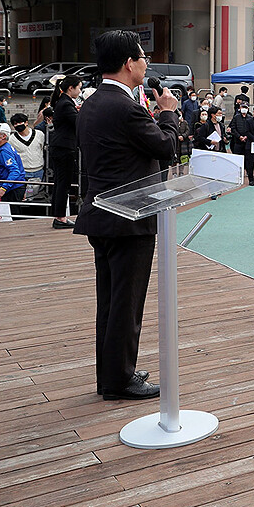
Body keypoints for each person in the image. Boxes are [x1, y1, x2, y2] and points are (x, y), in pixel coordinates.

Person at [74, 30, 179, 401]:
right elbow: (165, 146)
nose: (146, 63)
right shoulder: (124, 106)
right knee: (126, 302)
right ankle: (119, 380)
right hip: (128, 218)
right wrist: (167, 114)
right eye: (142, 57)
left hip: (101, 214)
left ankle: (114, 372)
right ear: (128, 64)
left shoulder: (91, 103)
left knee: (112, 300)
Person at [49, 76, 82, 227]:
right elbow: (78, 122)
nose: (80, 91)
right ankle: (60, 217)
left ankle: (58, 215)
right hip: (64, 147)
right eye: (79, 87)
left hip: (59, 146)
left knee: (59, 181)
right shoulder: (66, 104)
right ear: (71, 88)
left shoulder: (63, 102)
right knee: (64, 183)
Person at [0, 122, 26, 215]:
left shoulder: (4, 151)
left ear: (3, 136)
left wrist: (3, 188)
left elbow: (15, 171)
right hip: (14, 188)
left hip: (11, 190)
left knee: (10, 217)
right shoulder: (5, 148)